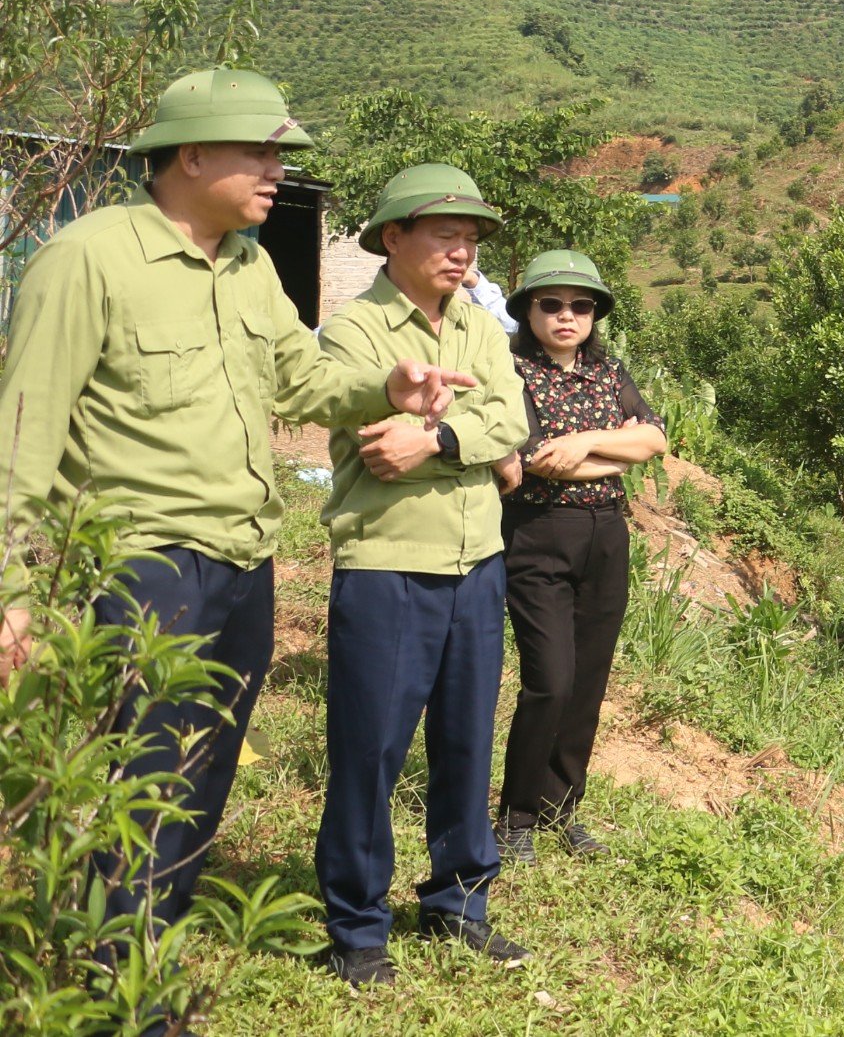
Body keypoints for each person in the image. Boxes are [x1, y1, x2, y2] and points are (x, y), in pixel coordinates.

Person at [0, 69, 474, 950]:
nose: (275, 171)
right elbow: (21, 435)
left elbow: (298, 376)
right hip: (139, 567)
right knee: (135, 777)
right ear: (189, 154)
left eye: (278, 154)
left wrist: (388, 384)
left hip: (243, 558)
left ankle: (150, 957)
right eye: (258, 151)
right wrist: (13, 590)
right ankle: (106, 975)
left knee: (202, 772)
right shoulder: (90, 258)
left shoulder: (251, 266)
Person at [313, 164, 530, 988]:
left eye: (471, 235)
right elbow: (377, 440)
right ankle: (359, 923)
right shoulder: (357, 330)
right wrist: (452, 430)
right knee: (370, 750)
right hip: (387, 561)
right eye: (445, 232)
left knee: (467, 740)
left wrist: (438, 436)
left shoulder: (480, 326)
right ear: (393, 236)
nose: (462, 247)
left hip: (476, 561)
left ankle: (459, 898)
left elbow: (510, 413)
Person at [495, 249, 666, 863]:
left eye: (581, 305)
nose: (567, 316)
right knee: (551, 679)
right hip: (538, 532)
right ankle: (515, 814)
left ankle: (559, 808)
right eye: (552, 304)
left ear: (594, 315)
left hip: (604, 536)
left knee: (589, 680)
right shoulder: (511, 372)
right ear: (528, 311)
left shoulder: (607, 371)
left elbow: (652, 439)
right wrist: (615, 452)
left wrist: (589, 441)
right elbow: (537, 460)